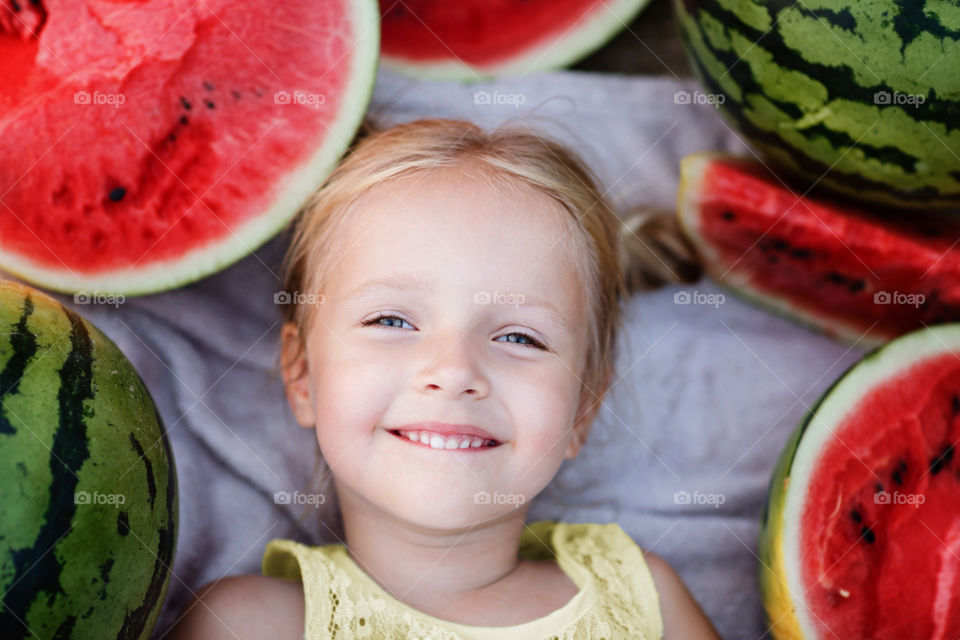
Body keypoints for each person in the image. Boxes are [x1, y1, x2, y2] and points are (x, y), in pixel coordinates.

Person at [168, 117, 719, 639]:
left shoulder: (645, 599)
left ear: (584, 408)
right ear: (304, 374)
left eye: (520, 337)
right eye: (392, 320)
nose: (454, 372)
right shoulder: (254, 625)